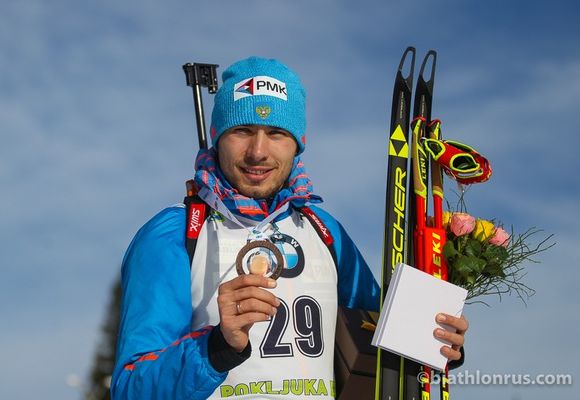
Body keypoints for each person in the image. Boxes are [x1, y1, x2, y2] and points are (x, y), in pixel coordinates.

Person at [111, 56, 469, 399]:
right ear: (218, 135)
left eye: (277, 132)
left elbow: (380, 341)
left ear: (299, 144)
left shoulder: (324, 230)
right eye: (243, 130)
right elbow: (131, 388)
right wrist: (218, 346)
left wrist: (436, 338)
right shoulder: (174, 233)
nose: (258, 151)